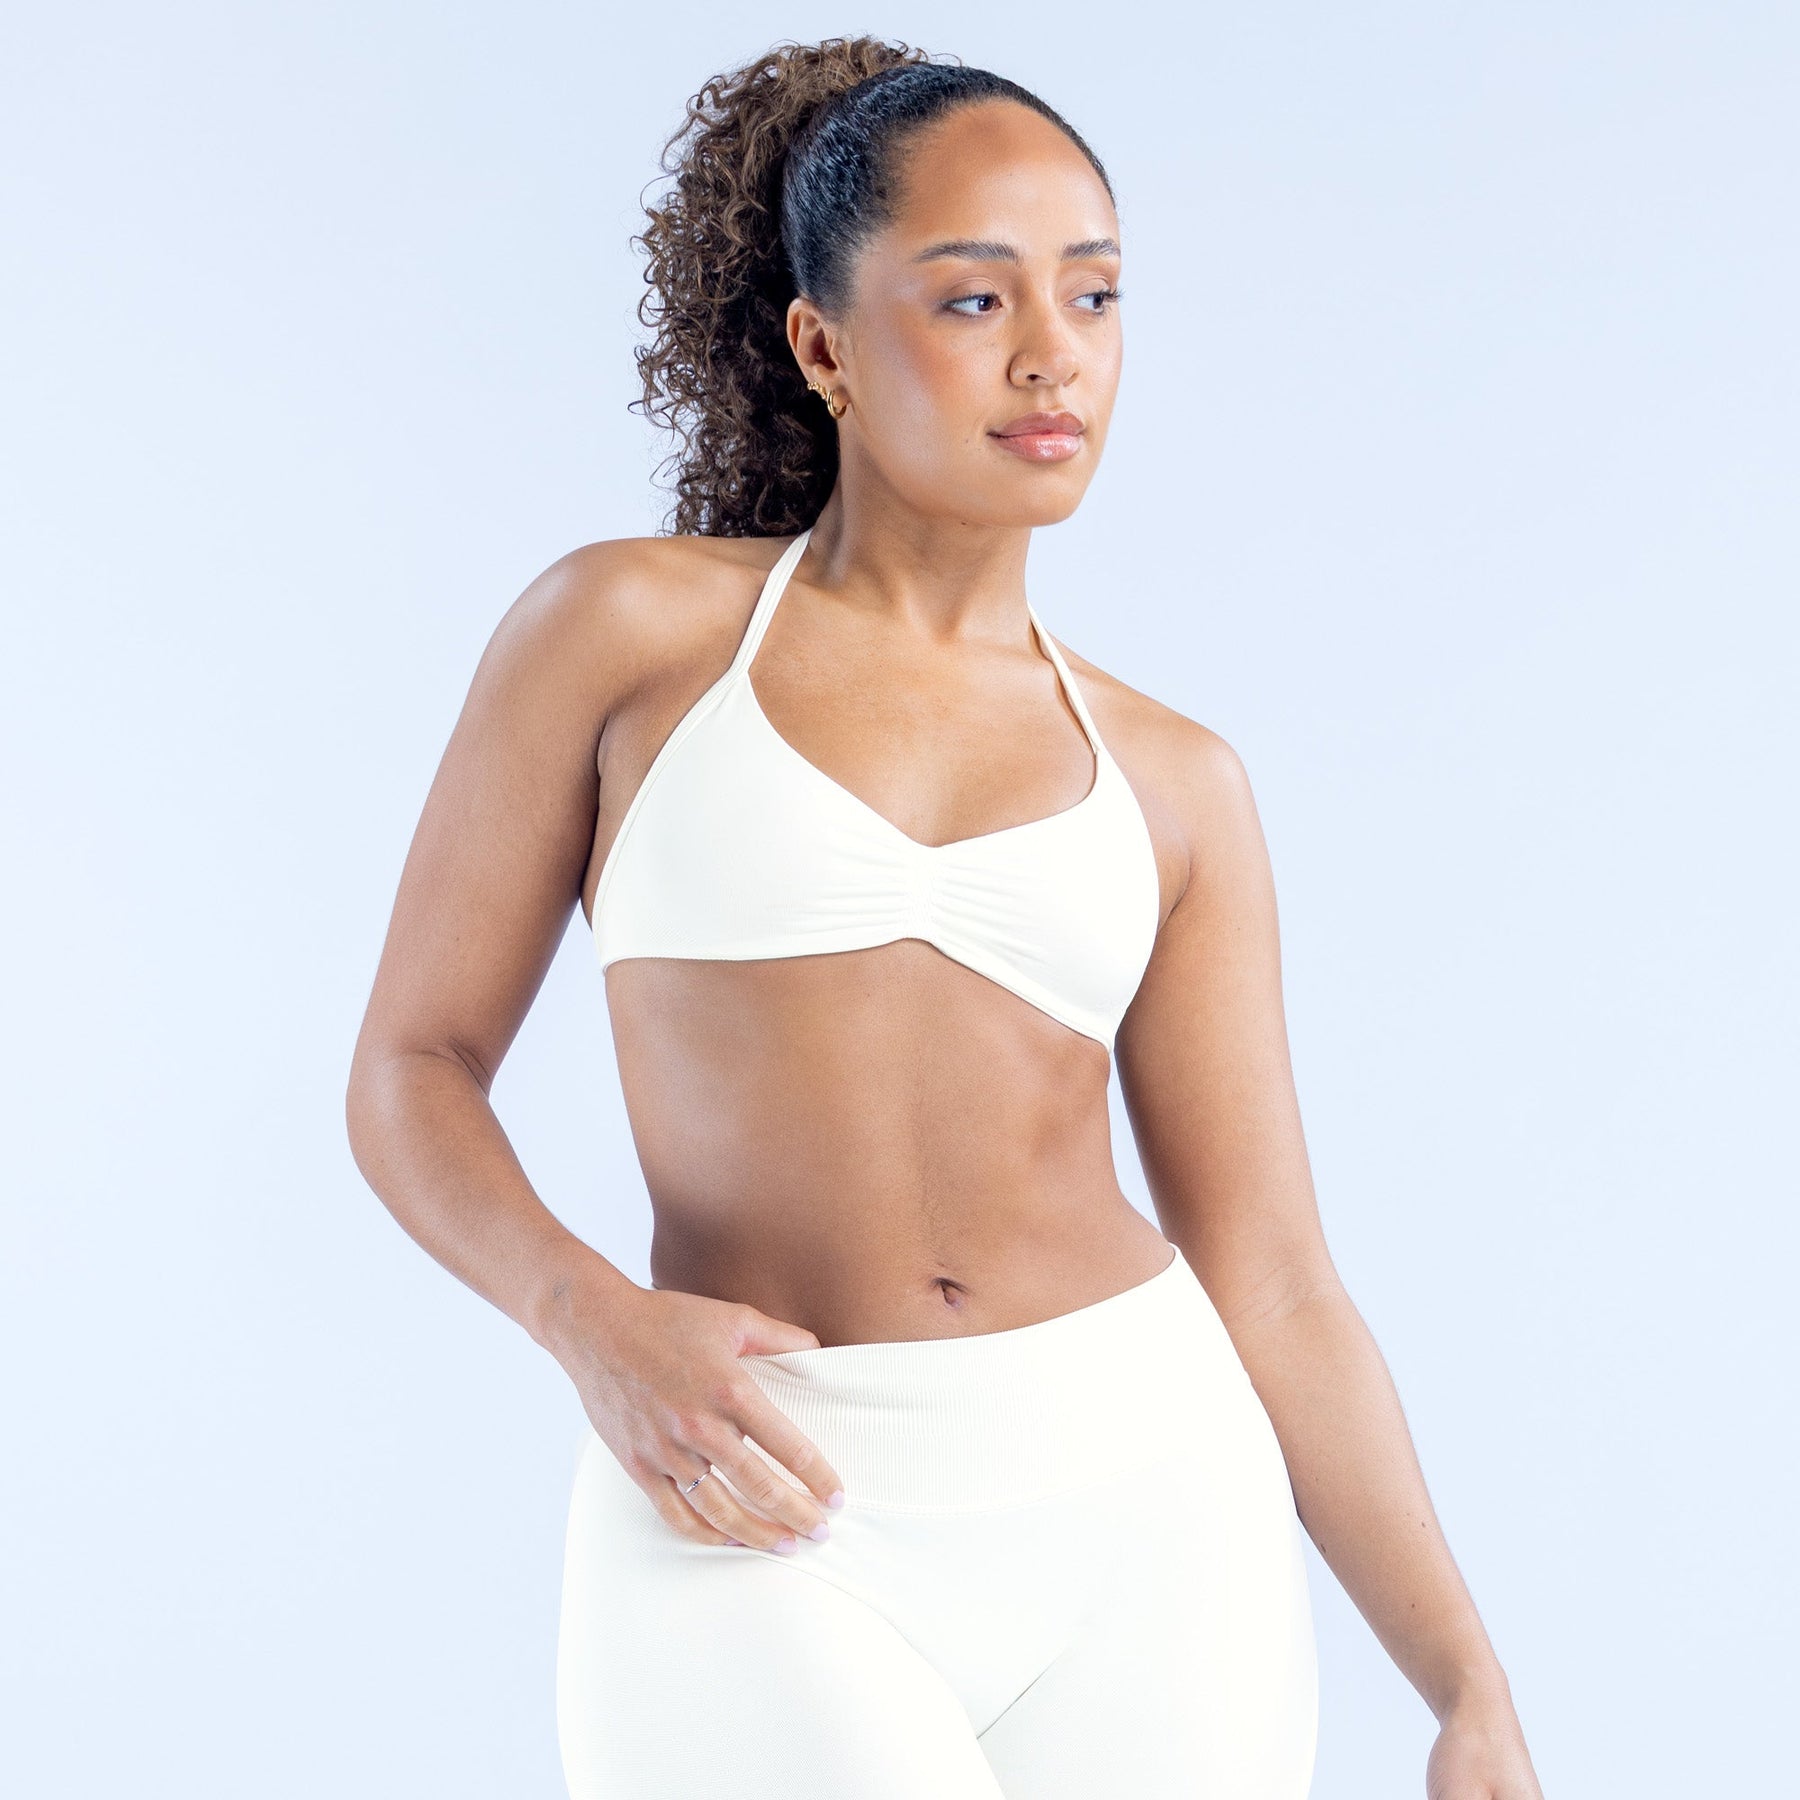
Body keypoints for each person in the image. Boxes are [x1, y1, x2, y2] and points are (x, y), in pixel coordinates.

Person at [345, 35, 1546, 1800]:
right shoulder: (627, 639)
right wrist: (587, 1317)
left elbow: (1278, 1278)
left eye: (1096, 294)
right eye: (977, 298)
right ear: (823, 345)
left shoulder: (1175, 779)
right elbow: (411, 1066)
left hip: (1147, 1512)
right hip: (750, 1484)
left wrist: (1462, 1682)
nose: (1055, 351)